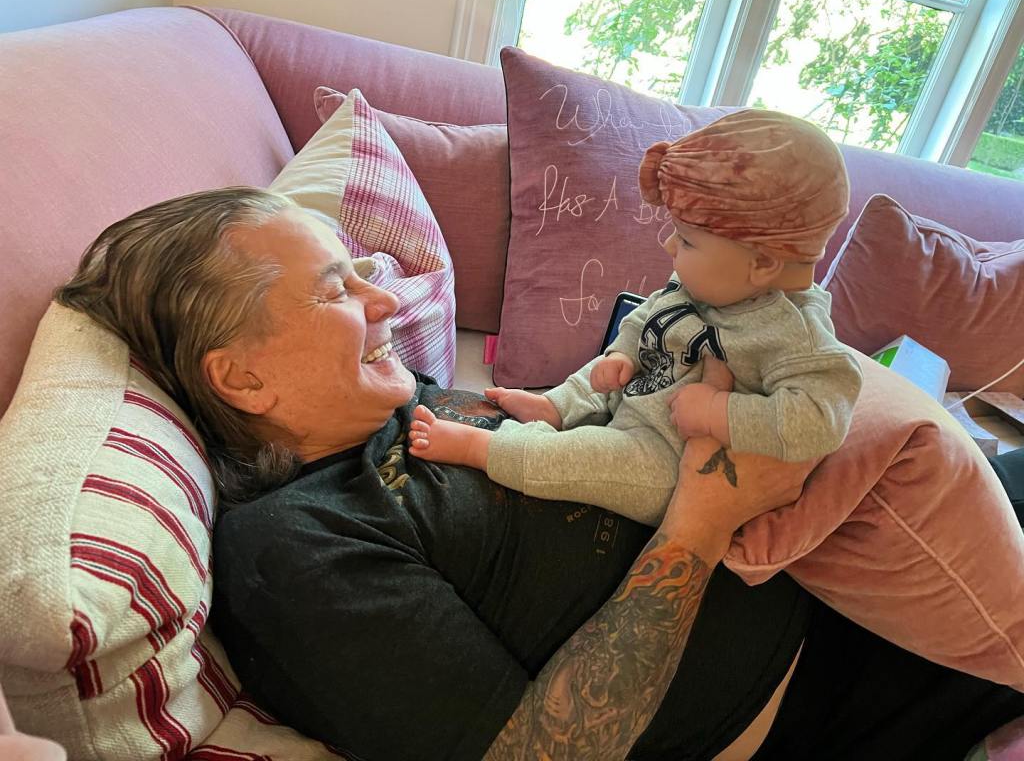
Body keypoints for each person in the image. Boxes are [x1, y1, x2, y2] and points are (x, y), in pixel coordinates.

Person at [55, 186, 1024, 760]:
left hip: (841, 542)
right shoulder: (296, 547)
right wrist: (701, 523)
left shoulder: (413, 405)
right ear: (243, 377)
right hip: (850, 673)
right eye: (335, 288)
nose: (386, 298)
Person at [407, 110, 862, 527]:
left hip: (662, 461)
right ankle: (557, 407)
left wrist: (717, 411)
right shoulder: (712, 280)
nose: (669, 247)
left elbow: (820, 419)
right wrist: (623, 354)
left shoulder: (795, 336)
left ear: (762, 263)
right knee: (599, 372)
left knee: (581, 459)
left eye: (686, 241)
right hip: (634, 401)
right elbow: (646, 316)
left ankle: (482, 448)